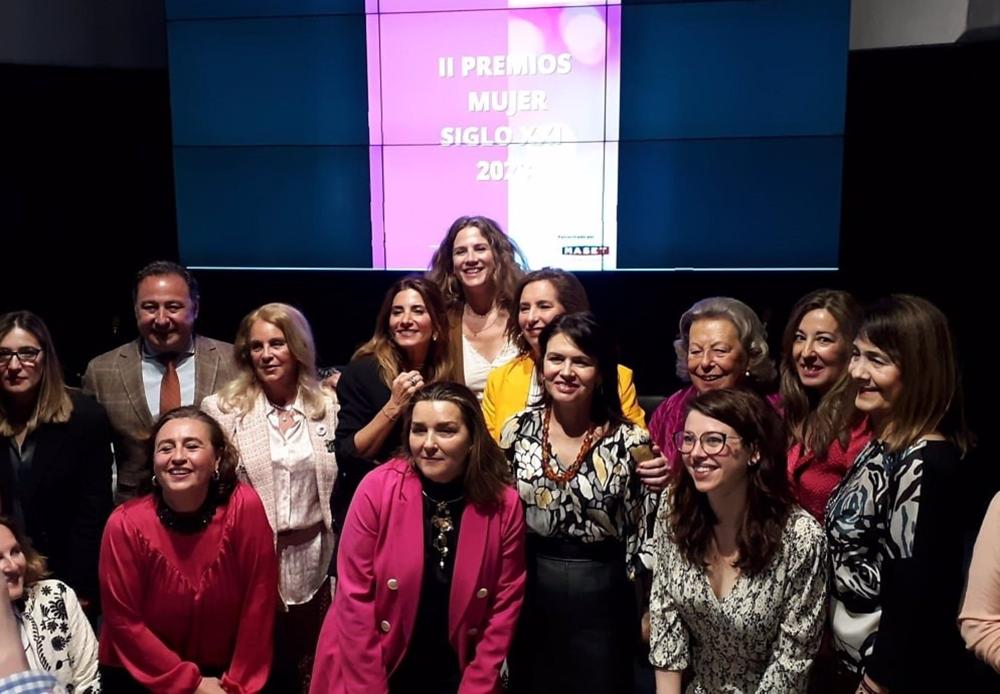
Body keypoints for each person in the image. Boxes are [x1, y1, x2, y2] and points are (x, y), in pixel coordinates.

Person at [311, 382, 526, 693]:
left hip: (457, 670)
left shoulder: (503, 504)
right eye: (418, 430)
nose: (428, 443)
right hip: (371, 665)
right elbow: (354, 599)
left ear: (472, 440)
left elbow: (505, 604)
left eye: (446, 431)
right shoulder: (377, 488)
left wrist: (477, 685)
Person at [825, 295, 977, 693]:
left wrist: (875, 684)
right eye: (857, 355)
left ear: (919, 371)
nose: (857, 371)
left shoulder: (925, 462)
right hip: (850, 663)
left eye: (877, 360)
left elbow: (917, 594)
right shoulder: (883, 444)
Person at [500, 312, 656, 694]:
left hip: (605, 594)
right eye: (556, 359)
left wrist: (651, 607)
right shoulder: (516, 430)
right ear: (541, 366)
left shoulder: (631, 441)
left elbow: (647, 532)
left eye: (581, 361)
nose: (566, 371)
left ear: (601, 373)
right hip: (530, 588)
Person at [649, 389, 827, 693]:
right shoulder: (674, 508)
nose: (696, 453)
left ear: (754, 451)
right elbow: (666, 623)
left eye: (714, 441)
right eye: (688, 439)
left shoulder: (800, 537)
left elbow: (791, 662)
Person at [202, 303, 337, 691]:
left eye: (277, 343)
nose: (266, 354)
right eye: (257, 346)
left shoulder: (327, 407)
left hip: (315, 557)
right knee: (259, 667)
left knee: (309, 667)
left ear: (298, 348)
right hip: (250, 559)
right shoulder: (223, 410)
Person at [98, 407, 278, 692]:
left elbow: (259, 599)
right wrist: (190, 684)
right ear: (154, 463)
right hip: (141, 674)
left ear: (217, 458)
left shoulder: (244, 506)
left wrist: (237, 684)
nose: (178, 457)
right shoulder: (124, 524)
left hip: (227, 676)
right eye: (165, 448)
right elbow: (124, 622)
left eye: (192, 446)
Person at [82, 261, 237, 502]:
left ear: (194, 309)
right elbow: (89, 463)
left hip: (219, 505)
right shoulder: (102, 371)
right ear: (135, 311)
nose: (162, 319)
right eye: (150, 307)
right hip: (135, 510)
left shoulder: (234, 362)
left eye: (173, 307)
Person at [0, 310, 112, 607]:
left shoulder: (85, 417)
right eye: (3, 354)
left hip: (66, 575)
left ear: (45, 357)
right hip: (5, 570)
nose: (14, 365)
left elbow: (93, 511)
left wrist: (80, 585)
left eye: (27, 353)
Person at [331, 277, 453, 532]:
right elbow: (348, 452)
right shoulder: (363, 371)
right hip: (376, 510)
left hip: (433, 510)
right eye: (397, 312)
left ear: (437, 326)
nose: (405, 319)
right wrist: (395, 405)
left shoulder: (446, 373)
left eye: (418, 311)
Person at [481, 268, 646, 442]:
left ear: (571, 311)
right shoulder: (499, 379)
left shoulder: (618, 377)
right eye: (524, 308)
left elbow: (638, 448)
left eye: (544, 306)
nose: (530, 318)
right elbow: (488, 454)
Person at [647, 296, 779, 465]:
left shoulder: (775, 413)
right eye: (695, 351)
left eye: (719, 350)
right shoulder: (669, 411)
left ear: (751, 356)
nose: (705, 362)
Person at [779, 290, 870, 521]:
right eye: (800, 337)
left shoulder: (862, 422)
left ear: (852, 348)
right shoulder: (787, 412)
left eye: (823, 340)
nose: (807, 352)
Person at [426, 216, 526, 399]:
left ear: (497, 257)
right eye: (461, 252)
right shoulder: (442, 324)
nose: (471, 259)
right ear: (451, 265)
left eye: (480, 249)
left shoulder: (523, 315)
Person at [0, 517, 100, 692]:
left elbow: (89, 680)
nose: (13, 566)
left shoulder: (55, 597)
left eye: (15, 551)